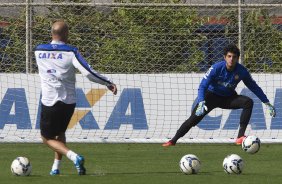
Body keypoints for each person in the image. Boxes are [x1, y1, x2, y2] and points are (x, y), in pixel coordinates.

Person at [34, 20, 117, 175]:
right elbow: (88, 72)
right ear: (66, 34)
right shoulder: (71, 51)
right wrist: (107, 82)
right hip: (68, 102)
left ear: (52, 33)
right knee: (60, 132)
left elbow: (50, 53)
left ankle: (74, 157)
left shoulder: (38, 50)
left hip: (49, 102)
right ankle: (55, 168)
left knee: (46, 138)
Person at [162, 44, 276, 147]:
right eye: (229, 56)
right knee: (192, 121)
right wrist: (201, 101)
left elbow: (254, 87)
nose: (232, 59)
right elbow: (202, 86)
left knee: (248, 102)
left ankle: (240, 137)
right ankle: (173, 141)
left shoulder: (242, 71)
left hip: (227, 98)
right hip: (210, 97)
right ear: (224, 57)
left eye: (234, 57)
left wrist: (266, 102)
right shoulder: (216, 68)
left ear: (237, 58)